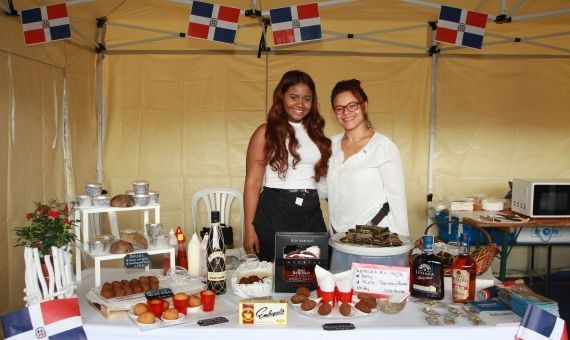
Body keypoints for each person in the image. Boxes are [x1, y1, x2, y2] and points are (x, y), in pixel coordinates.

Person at [243, 70, 332, 261]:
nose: (300, 104)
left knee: (314, 273)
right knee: (275, 274)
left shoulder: (316, 133)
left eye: (307, 99)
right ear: (281, 96)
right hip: (275, 211)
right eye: (294, 97)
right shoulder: (265, 132)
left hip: (310, 212)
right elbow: (253, 182)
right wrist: (248, 228)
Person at [326, 79, 409, 237]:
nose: (346, 112)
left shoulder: (383, 147)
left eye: (352, 105)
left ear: (364, 105)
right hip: (338, 239)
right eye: (339, 108)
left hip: (374, 238)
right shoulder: (331, 145)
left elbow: (397, 201)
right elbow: (325, 187)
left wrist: (401, 245)